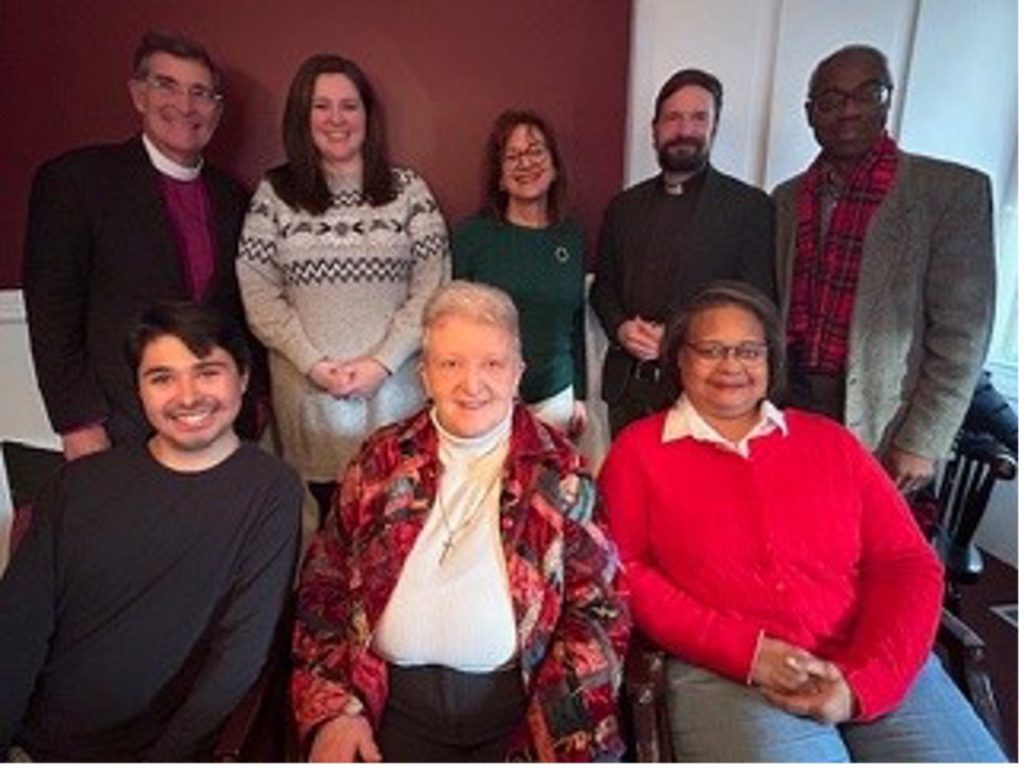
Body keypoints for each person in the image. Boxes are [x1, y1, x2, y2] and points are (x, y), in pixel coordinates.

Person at [599, 281, 1005, 762]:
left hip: (874, 655)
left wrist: (862, 683)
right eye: (710, 349)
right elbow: (628, 573)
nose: (731, 365)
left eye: (750, 350)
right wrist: (749, 653)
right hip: (725, 670)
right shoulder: (638, 452)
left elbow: (906, 563)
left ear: (770, 361)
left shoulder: (830, 443)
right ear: (678, 359)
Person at [292, 281, 628, 762]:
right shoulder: (381, 460)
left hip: (519, 715)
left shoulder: (561, 472)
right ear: (425, 375)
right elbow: (323, 587)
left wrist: (558, 731)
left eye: (492, 364)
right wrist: (334, 712)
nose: (472, 384)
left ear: (518, 374)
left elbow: (599, 610)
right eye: (451, 364)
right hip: (386, 708)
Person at [0, 302, 302, 761]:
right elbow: (17, 626)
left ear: (242, 377)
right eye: (162, 378)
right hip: (37, 744)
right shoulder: (79, 485)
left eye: (207, 372)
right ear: (139, 390)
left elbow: (239, 656)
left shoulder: (269, 490)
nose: (187, 396)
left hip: (157, 751)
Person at [23, 30, 260, 461]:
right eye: (166, 85)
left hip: (218, 426)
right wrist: (79, 423)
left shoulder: (235, 197)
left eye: (201, 93)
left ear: (218, 110)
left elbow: (244, 313)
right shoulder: (77, 181)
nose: (186, 106)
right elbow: (53, 311)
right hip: (118, 425)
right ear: (138, 94)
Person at [773, 44, 995, 494]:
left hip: (886, 420)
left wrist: (925, 438)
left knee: (872, 550)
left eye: (866, 93)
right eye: (832, 101)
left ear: (888, 99)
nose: (848, 111)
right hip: (793, 401)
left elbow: (963, 334)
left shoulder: (949, 193)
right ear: (811, 113)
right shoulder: (786, 198)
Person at [237, 54, 448, 524]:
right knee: (327, 536)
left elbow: (432, 287)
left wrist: (382, 363)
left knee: (396, 537)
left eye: (349, 106)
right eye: (321, 106)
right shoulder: (274, 194)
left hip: (395, 399)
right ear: (301, 116)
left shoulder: (409, 191)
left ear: (368, 117)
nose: (337, 119)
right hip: (310, 401)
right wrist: (314, 365)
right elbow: (258, 293)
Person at [590, 68, 776, 437]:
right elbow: (603, 288)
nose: (685, 129)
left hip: (706, 390)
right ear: (655, 128)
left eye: (698, 118)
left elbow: (757, 305)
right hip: (628, 390)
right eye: (673, 118)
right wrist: (621, 328)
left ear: (714, 127)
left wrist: (676, 338)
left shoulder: (750, 208)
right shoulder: (623, 207)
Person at [453, 109, 587, 438]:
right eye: (512, 156)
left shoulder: (572, 237)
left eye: (536, 151)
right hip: (485, 396)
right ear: (499, 176)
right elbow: (453, 324)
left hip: (555, 397)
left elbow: (576, 322)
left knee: (547, 489)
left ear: (555, 166)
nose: (525, 163)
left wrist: (579, 395)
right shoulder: (473, 236)